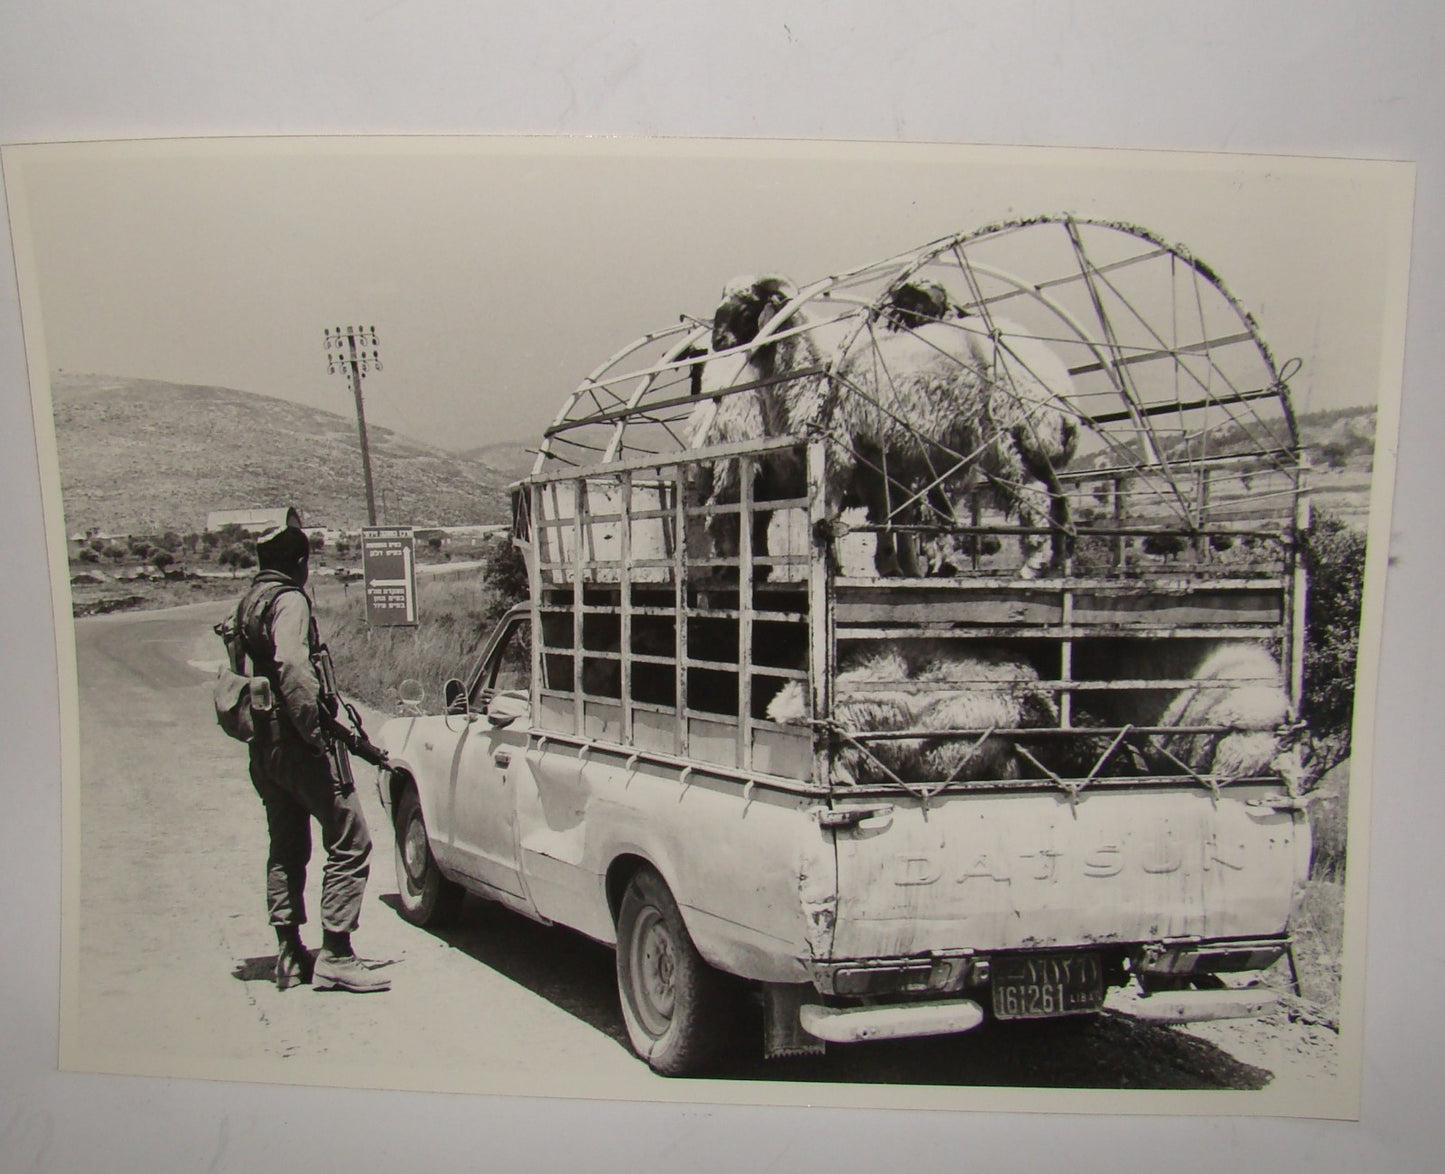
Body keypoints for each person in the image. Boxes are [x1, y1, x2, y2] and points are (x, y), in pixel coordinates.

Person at [234, 508, 390, 993]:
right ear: (298, 561)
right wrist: (317, 737)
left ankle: (288, 954)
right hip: (299, 744)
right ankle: (337, 954)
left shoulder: (249, 602)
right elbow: (294, 670)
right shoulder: (290, 602)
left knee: (286, 846)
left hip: (265, 747)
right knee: (351, 839)